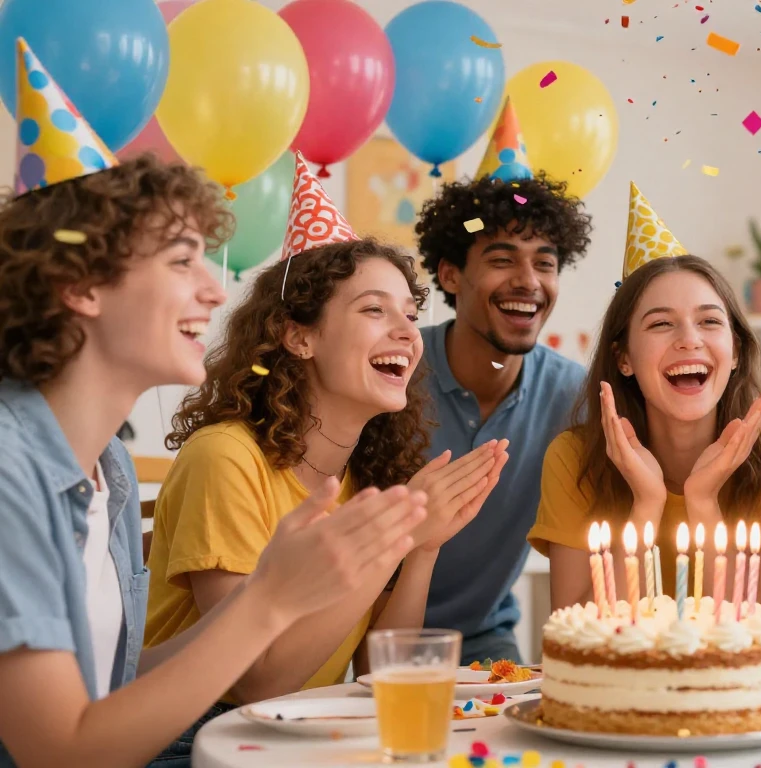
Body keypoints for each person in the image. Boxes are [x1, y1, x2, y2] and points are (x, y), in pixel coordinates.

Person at [0, 49, 427, 768]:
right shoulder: (12, 472)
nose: (212, 289)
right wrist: (269, 604)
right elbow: (61, 752)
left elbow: (111, 682)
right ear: (82, 288)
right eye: (180, 261)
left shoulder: (107, 469)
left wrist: (271, 593)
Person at [144, 160, 507, 762]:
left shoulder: (365, 474)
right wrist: (394, 538)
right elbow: (255, 682)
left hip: (306, 732)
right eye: (374, 311)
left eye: (410, 316)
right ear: (299, 336)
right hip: (192, 740)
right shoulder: (227, 458)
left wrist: (422, 548)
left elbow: (379, 673)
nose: (408, 334)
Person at [530, 253, 761, 610]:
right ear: (623, 358)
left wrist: (703, 501)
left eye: (709, 320)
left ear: (735, 350)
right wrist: (647, 504)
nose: (689, 340)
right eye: (661, 324)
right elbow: (575, 640)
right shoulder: (574, 457)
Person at [414, 172, 591, 664]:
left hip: (484, 638)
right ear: (450, 275)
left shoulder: (575, 398)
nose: (528, 281)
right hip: (366, 630)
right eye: (501, 259)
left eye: (545, 263)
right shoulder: (394, 373)